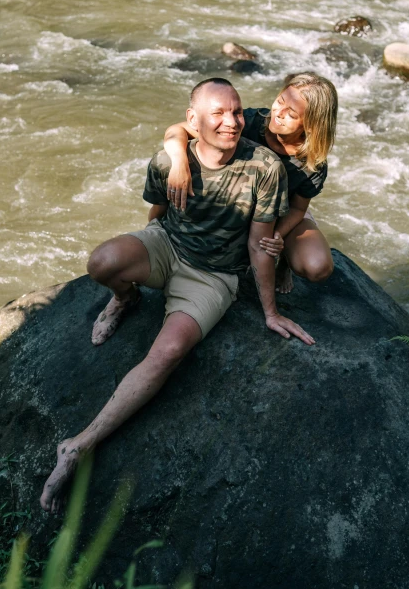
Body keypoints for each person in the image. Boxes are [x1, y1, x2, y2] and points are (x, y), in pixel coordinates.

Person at [40, 77, 314, 513]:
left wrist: (270, 311)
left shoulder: (266, 167)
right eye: (218, 113)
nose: (231, 122)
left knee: (167, 352)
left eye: (238, 112)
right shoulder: (169, 160)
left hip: (214, 276)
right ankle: (126, 299)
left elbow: (258, 245)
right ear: (193, 120)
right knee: (101, 262)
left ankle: (77, 446)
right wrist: (147, 232)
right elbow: (157, 212)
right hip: (166, 245)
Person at [164, 71, 337, 295]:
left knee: (318, 268)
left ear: (312, 125)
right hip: (241, 201)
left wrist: (277, 236)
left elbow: (297, 208)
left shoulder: (314, 162)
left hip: (282, 211)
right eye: (280, 101)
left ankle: (284, 263)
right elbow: (176, 130)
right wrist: (179, 164)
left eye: (291, 113)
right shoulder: (249, 122)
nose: (278, 113)